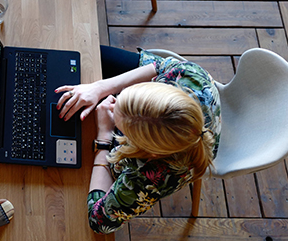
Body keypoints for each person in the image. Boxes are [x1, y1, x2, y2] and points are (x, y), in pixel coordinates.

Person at [55, 47, 221, 233]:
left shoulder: (146, 179)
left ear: (148, 151)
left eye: (122, 128)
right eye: (123, 97)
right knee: (89, 54)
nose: (113, 101)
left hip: (164, 162)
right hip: (192, 125)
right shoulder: (191, 76)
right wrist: (99, 88)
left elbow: (99, 222)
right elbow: (159, 65)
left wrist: (104, 137)